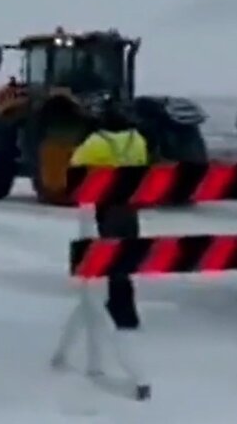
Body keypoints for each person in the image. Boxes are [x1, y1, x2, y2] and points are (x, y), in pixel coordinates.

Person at [71, 107, 149, 330]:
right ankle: (127, 309)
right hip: (131, 203)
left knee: (113, 254)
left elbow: (76, 165)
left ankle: (120, 311)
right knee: (127, 252)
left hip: (107, 203)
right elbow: (143, 162)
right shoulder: (137, 139)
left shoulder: (96, 142)